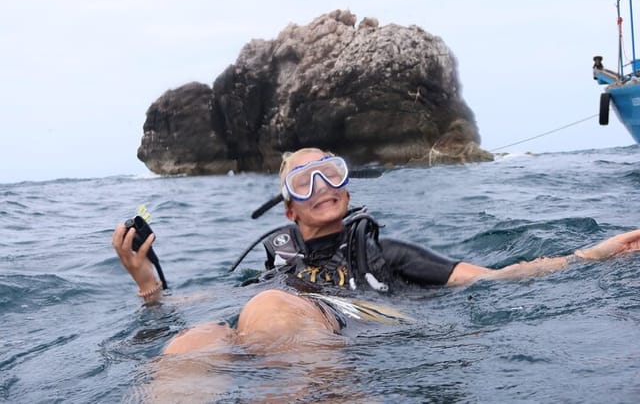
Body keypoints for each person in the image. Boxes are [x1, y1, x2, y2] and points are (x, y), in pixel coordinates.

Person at [112, 147, 640, 355]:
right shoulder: (274, 268)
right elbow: (199, 303)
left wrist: (589, 256)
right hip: (279, 329)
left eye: (330, 171)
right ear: (289, 210)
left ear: (346, 187)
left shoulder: (386, 253)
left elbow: (492, 278)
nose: (320, 183)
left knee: (266, 309)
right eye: (302, 179)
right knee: (190, 343)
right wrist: (148, 285)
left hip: (364, 326)